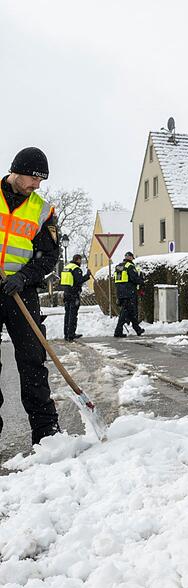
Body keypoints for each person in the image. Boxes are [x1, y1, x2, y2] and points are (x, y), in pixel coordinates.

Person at [0, 147, 62, 444]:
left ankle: (46, 433)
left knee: (33, 361)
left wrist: (23, 277)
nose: (36, 185)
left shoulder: (42, 210)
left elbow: (49, 257)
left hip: (21, 292)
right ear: (16, 171)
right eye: (33, 178)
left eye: (40, 180)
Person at [60, 254, 91, 341]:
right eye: (80, 260)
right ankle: (71, 334)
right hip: (74, 294)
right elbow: (79, 280)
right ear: (78, 260)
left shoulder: (66, 267)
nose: (81, 262)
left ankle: (66, 333)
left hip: (66, 293)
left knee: (67, 314)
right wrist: (87, 275)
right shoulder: (76, 269)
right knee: (73, 314)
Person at [113, 251, 144, 338]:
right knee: (125, 312)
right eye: (132, 258)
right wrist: (141, 281)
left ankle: (137, 329)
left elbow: (116, 279)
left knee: (130, 312)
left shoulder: (119, 266)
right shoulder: (129, 266)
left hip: (120, 292)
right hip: (128, 292)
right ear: (130, 257)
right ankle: (118, 331)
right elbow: (134, 278)